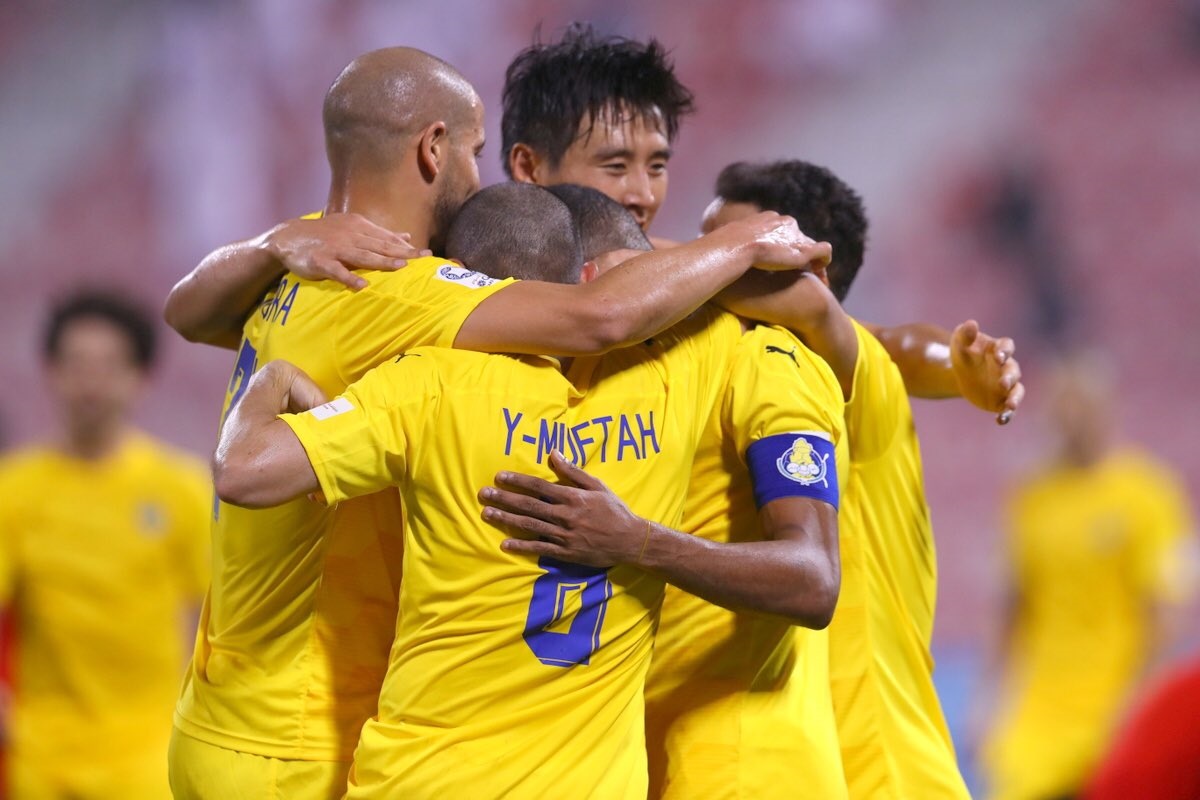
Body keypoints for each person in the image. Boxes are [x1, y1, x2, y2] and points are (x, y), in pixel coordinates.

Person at [165, 48, 826, 800]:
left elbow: (183, 311)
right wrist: (745, 242)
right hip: (302, 734)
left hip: (221, 709)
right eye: (476, 154)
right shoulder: (403, 294)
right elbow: (600, 312)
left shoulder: (309, 255)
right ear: (432, 148)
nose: (481, 180)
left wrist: (267, 242)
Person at [492, 184, 852, 798]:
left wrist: (639, 542)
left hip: (743, 768)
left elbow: (814, 577)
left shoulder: (764, 357)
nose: (643, 191)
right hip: (639, 760)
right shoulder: (589, 373)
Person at [693, 159, 1015, 798]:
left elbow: (884, 342)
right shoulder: (747, 384)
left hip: (887, 773)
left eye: (732, 248)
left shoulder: (838, 371)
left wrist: (955, 367)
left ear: (807, 269)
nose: (708, 263)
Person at [0, 291, 209, 799]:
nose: (91, 381)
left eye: (109, 365)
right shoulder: (13, 491)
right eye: (76, 363)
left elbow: (222, 616)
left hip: (146, 756)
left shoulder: (180, 488)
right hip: (42, 758)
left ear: (140, 377)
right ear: (50, 371)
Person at [981, 355, 1195, 800]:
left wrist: (1141, 705)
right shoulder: (1032, 499)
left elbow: (1162, 613)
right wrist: (991, 698)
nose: (1071, 417)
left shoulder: (1148, 493)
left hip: (1114, 710)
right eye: (1063, 406)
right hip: (1039, 721)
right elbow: (1013, 608)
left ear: (1105, 409)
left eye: (1081, 405)